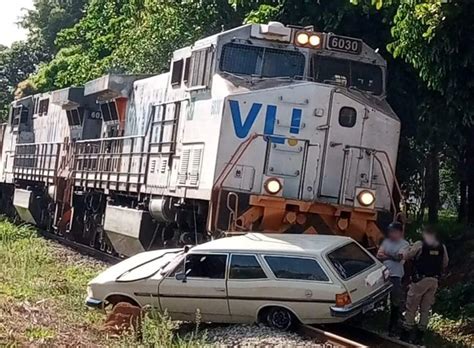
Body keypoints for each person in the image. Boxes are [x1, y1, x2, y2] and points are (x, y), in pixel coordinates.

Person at [400, 226, 449, 345]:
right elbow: (445, 263)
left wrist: (406, 249)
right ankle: (420, 335)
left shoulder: (420, 244)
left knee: (411, 306)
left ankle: (406, 333)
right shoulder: (441, 247)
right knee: (425, 309)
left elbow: (407, 256)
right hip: (434, 281)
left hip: (420, 280)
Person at [376, 221, 409, 336]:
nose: (391, 234)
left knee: (395, 300)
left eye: (394, 232)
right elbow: (378, 255)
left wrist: (387, 255)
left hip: (396, 274)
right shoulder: (386, 242)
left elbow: (399, 257)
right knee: (378, 297)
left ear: (399, 233)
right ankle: (377, 320)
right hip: (383, 273)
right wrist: (391, 256)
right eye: (390, 232)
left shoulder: (405, 244)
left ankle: (393, 326)